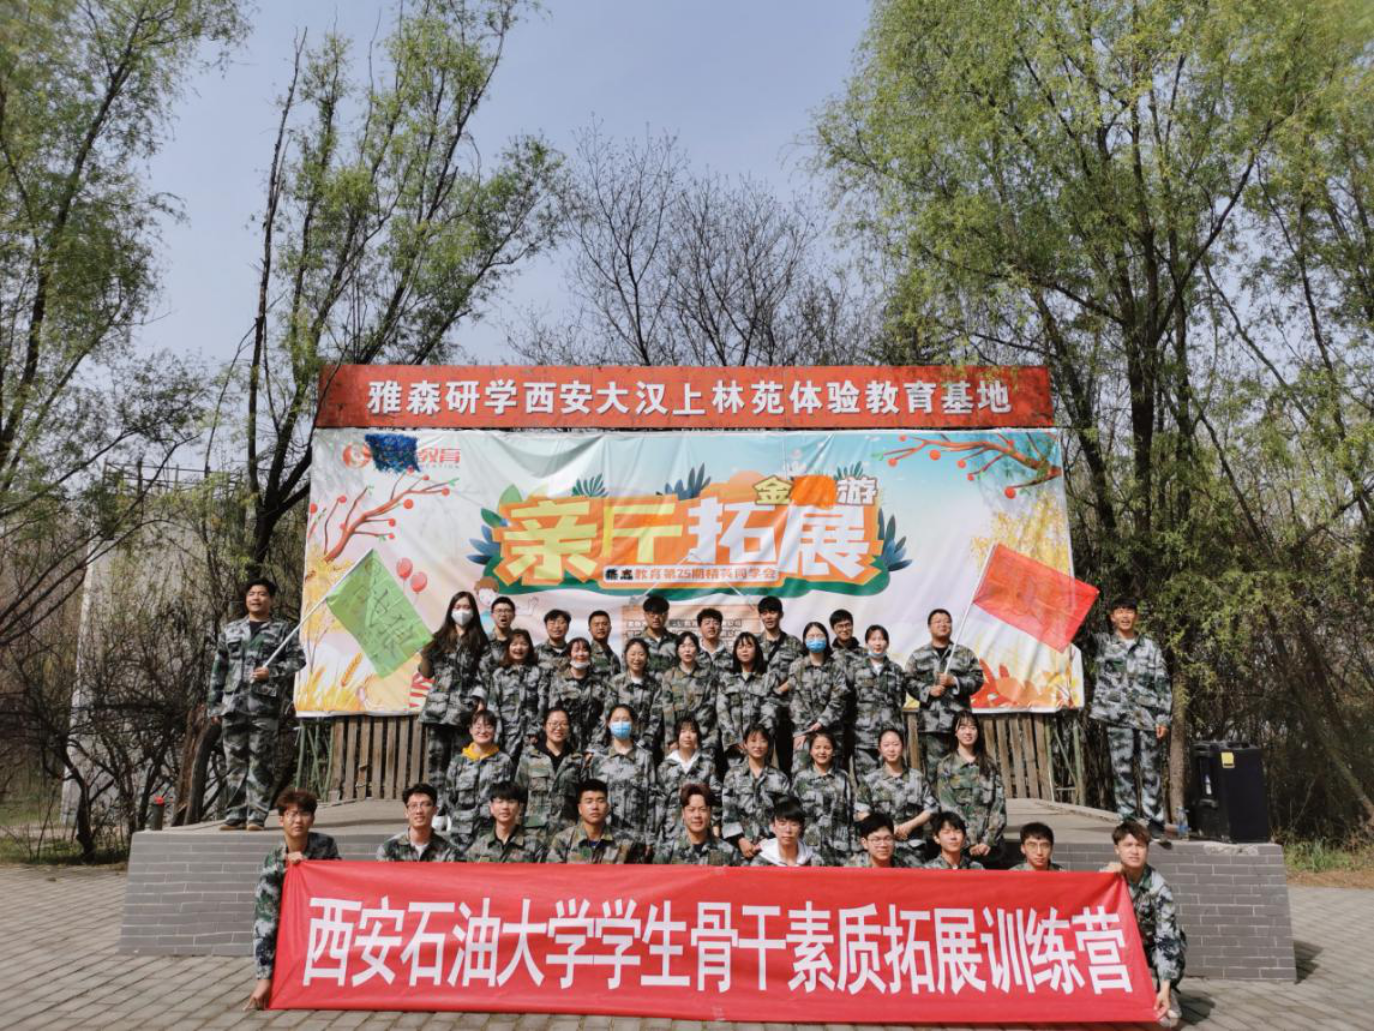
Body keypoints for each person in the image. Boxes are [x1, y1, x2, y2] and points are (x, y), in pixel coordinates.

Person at [209, 579, 306, 831]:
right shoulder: (231, 630)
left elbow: (298, 660)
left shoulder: (282, 630)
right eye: (252, 594)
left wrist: (272, 671)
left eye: (262, 594)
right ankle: (235, 815)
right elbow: (219, 668)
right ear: (246, 599)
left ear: (271, 600)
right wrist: (214, 704)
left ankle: (256, 816)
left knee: (261, 761)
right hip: (233, 705)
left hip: (264, 707)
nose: (256, 598)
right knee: (234, 761)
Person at [245, 788, 339, 1010]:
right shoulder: (273, 863)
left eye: (304, 814)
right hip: (291, 926)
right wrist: (264, 978)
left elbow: (338, 884)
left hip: (321, 923)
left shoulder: (325, 845)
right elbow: (265, 922)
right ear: (281, 820)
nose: (298, 820)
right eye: (291, 814)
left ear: (312, 819)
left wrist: (308, 867)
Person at [1089, 600, 1173, 837]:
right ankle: (1128, 820)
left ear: (1136, 616)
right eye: (1120, 612)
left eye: (1129, 612)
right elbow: (1075, 635)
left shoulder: (1150, 646)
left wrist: (1163, 718)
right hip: (1117, 716)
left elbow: (1162, 682)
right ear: (1112, 616)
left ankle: (1154, 821)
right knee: (1122, 770)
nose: (1125, 616)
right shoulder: (1104, 644)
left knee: (1150, 770)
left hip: (1147, 717)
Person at [1104, 821, 1186, 1027]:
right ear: (1117, 849)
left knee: (1175, 945)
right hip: (1119, 946)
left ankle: (1165, 993)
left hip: (1149, 946)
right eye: (1128, 845)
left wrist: (1165, 987)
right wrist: (1103, 879)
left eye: (1140, 846)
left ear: (1147, 850)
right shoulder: (1108, 876)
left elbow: (1166, 937)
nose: (1134, 851)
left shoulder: (1159, 887)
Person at [417, 590, 489, 811]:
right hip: (437, 712)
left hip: (463, 713)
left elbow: (483, 676)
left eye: (466, 607)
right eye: (458, 607)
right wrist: (424, 654)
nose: (462, 611)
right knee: (436, 762)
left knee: (461, 762)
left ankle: (456, 809)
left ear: (473, 611)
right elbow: (426, 673)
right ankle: (437, 810)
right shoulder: (438, 639)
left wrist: (479, 706)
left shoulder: (480, 641)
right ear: (450, 611)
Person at [905, 607, 985, 784]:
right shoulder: (918, 655)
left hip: (960, 726)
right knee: (934, 773)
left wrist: (954, 681)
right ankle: (936, 803)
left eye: (947, 621)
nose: (943, 624)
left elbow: (978, 679)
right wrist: (928, 690)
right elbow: (908, 681)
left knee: (963, 770)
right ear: (929, 627)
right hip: (931, 726)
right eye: (938, 621)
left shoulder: (964, 654)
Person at [855, 727, 938, 867]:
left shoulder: (917, 778)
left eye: (895, 744)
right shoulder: (870, 780)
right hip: (881, 848)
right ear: (880, 749)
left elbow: (932, 808)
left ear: (903, 747)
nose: (891, 749)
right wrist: (888, 829)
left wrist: (909, 826)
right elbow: (862, 811)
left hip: (912, 848)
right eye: (886, 745)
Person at [936, 712, 1008, 867]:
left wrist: (988, 840)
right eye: (962, 727)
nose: (968, 732)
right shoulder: (945, 766)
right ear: (955, 732)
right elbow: (948, 807)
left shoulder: (989, 765)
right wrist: (969, 842)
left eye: (973, 728)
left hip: (990, 847)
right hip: (960, 847)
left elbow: (999, 805)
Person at [584, 704, 656, 844]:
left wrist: (650, 837)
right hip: (604, 837)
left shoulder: (645, 758)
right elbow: (589, 798)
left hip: (636, 838)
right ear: (608, 724)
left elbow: (652, 800)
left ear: (633, 724)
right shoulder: (599, 759)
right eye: (616, 720)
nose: (621, 723)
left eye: (625, 720)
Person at [445, 709, 515, 853]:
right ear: (470, 730)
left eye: (488, 726)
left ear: (494, 730)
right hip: (461, 835)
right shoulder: (458, 762)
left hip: (492, 831)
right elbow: (449, 797)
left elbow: (511, 796)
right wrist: (460, 819)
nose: (483, 731)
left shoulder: (504, 761)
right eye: (478, 726)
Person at [720, 723, 792, 862]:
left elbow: (784, 815)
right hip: (739, 849)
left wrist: (768, 841)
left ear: (769, 745)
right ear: (745, 744)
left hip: (771, 849)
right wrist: (740, 840)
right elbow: (728, 813)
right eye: (753, 741)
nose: (758, 745)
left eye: (763, 741)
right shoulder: (732, 775)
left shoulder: (779, 778)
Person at [787, 621, 849, 774]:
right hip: (804, 731)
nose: (815, 639)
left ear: (827, 639)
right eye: (811, 636)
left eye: (820, 636)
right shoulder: (796, 666)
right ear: (804, 640)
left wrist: (822, 722)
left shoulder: (837, 666)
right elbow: (794, 700)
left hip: (832, 730)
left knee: (833, 774)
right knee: (801, 772)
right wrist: (806, 729)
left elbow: (839, 698)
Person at [848, 624, 908, 779]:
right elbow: (848, 700)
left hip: (890, 737)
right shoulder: (855, 669)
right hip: (863, 736)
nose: (877, 643)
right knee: (865, 780)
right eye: (873, 639)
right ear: (867, 643)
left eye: (881, 639)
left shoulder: (896, 670)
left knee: (892, 778)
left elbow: (900, 699)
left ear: (887, 643)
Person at [515, 706, 582, 842]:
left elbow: (583, 800)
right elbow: (518, 796)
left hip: (566, 834)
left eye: (564, 724)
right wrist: (516, 829)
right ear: (544, 726)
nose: (558, 728)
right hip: (533, 834)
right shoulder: (529, 757)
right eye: (553, 723)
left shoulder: (577, 760)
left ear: (569, 728)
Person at [716, 631, 779, 766]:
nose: (744, 650)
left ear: (757, 650)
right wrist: (733, 740)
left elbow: (771, 712)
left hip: (760, 746)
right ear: (735, 651)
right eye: (740, 647)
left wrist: (756, 740)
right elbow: (722, 711)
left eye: (749, 646)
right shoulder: (726, 678)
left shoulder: (768, 678)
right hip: (734, 747)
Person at [792, 729, 854, 864]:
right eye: (817, 747)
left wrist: (855, 847)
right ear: (810, 751)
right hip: (809, 848)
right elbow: (793, 816)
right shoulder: (801, 778)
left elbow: (851, 815)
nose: (822, 752)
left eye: (827, 748)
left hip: (839, 849)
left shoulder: (843, 778)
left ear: (834, 751)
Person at [659, 631, 720, 768]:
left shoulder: (707, 675)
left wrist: (694, 735)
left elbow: (709, 706)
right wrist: (673, 739)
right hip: (676, 738)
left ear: (697, 650)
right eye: (683, 646)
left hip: (704, 737)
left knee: (703, 772)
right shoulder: (669, 676)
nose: (687, 650)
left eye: (691, 646)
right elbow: (667, 711)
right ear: (677, 650)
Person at [482, 627, 544, 760]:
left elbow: (543, 704)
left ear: (529, 647)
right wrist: (496, 734)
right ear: (508, 648)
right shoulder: (499, 674)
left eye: (523, 644)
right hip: (506, 736)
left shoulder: (538, 672)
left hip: (532, 737)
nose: (519, 648)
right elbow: (493, 706)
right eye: (514, 644)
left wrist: (536, 730)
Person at [655, 716, 720, 843]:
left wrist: (715, 827)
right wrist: (658, 836)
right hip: (672, 834)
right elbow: (659, 805)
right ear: (677, 736)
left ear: (698, 736)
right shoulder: (665, 767)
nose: (688, 736)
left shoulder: (707, 764)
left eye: (692, 731)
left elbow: (716, 799)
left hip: (702, 832)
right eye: (683, 731)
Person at [757, 595, 803, 770]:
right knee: (762, 756)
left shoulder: (794, 644)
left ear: (781, 615)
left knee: (787, 759)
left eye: (772, 612)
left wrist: (782, 688)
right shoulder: (754, 643)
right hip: (762, 710)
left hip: (787, 710)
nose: (768, 616)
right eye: (764, 613)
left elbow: (801, 673)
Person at [545, 778, 635, 863]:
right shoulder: (563, 840)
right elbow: (552, 873)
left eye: (600, 801)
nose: (595, 807)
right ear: (580, 808)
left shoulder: (626, 843)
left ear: (607, 807)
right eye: (589, 801)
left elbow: (637, 874)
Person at [600, 638, 661, 755]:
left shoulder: (654, 685)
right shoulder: (616, 682)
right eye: (632, 654)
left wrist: (644, 742)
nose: (637, 658)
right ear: (625, 656)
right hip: (618, 744)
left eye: (641, 654)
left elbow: (656, 719)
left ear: (647, 657)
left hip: (645, 748)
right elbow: (608, 715)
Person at [540, 637, 603, 751]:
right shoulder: (559, 680)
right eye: (576, 650)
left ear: (589, 654)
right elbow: (554, 713)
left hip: (593, 743)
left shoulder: (598, 681)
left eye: (585, 650)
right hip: (565, 743)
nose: (581, 654)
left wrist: (594, 747)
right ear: (569, 655)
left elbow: (603, 716)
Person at [653, 783, 736, 866]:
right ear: (683, 813)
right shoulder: (666, 853)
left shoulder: (728, 852)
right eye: (691, 810)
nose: (697, 815)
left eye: (703, 809)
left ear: (710, 812)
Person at [466, 781, 547, 863]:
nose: (505, 807)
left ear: (520, 807)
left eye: (511, 801)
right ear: (491, 807)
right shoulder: (478, 848)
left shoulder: (534, 847)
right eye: (500, 801)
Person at [376, 782, 459, 861]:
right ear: (406, 812)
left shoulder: (448, 852)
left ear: (435, 810)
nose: (419, 811)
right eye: (413, 805)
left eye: (425, 804)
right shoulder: (389, 850)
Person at [749, 796, 819, 866]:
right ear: (773, 827)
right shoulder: (760, 863)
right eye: (782, 824)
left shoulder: (814, 861)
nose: (788, 830)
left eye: (794, 824)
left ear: (801, 828)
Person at [640, 592, 679, 673]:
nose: (656, 617)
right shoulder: (635, 642)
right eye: (652, 614)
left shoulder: (678, 641)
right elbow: (628, 672)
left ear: (667, 615)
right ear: (645, 615)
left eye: (660, 613)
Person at [587, 609, 622, 677]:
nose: (601, 627)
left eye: (604, 624)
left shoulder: (614, 657)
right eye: (596, 625)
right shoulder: (586, 655)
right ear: (590, 629)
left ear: (610, 628)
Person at [696, 607, 731, 672]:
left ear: (721, 628)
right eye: (707, 623)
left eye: (716, 623)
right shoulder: (693, 654)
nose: (711, 626)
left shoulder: (730, 654)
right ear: (699, 628)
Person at [485, 595, 517, 667]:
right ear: (492, 615)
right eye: (499, 611)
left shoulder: (519, 642)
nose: (503, 614)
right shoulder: (483, 641)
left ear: (514, 615)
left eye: (507, 611)